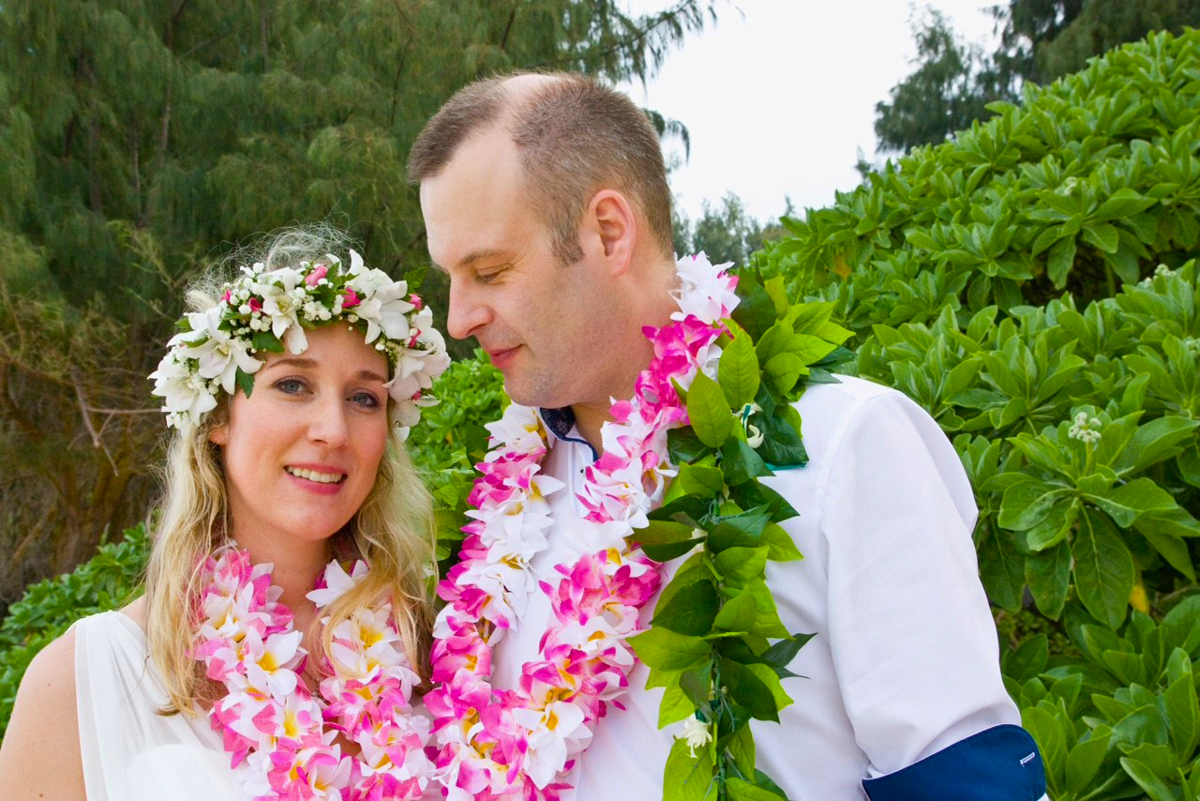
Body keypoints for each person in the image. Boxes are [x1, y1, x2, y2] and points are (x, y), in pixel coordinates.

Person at [408, 73, 1048, 800]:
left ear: (609, 232)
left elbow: (964, 781)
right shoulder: (498, 512)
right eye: (450, 278)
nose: (458, 318)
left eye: (488, 270)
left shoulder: (841, 444)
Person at [0, 228, 451, 801]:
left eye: (364, 398)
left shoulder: (438, 649)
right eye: (292, 384)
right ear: (218, 418)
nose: (334, 431)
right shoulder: (83, 677)